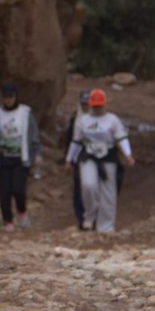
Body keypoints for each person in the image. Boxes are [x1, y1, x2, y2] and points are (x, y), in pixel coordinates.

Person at [64, 88, 135, 233]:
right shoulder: (82, 120)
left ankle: (106, 226)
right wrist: (69, 159)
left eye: (99, 105)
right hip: (88, 155)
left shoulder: (113, 120)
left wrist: (128, 154)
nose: (97, 108)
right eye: (95, 105)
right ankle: (89, 215)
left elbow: (121, 138)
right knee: (88, 185)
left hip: (108, 155)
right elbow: (76, 141)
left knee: (108, 192)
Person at [0, 82, 41, 232]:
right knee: (4, 191)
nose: (8, 100)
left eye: (10, 97)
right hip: (3, 159)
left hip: (21, 158)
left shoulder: (25, 113)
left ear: (15, 97)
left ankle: (21, 211)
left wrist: (37, 153)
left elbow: (33, 135)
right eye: (5, 97)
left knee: (18, 188)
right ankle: (7, 220)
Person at [62, 90, 91, 229]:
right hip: (78, 158)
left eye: (87, 103)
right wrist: (68, 159)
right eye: (83, 103)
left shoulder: (102, 118)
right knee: (79, 188)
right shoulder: (76, 118)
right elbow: (70, 139)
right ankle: (81, 219)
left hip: (96, 157)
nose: (85, 106)